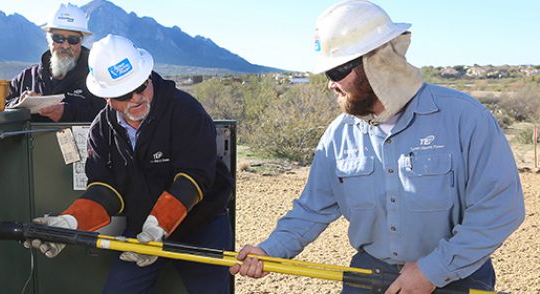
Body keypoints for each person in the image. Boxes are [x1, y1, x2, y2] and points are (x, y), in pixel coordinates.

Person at [229, 1, 525, 293]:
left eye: (336, 72)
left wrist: (433, 270)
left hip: (457, 277)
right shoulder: (337, 136)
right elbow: (311, 209)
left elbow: (500, 209)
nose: (331, 85)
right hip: (370, 275)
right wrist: (269, 251)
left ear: (376, 61)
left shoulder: (466, 118)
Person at [26, 35, 234, 293]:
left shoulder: (186, 111)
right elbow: (105, 189)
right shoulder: (100, 131)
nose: (136, 97)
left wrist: (159, 227)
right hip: (141, 226)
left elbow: (194, 177)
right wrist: (70, 223)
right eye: (124, 93)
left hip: (200, 225)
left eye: (141, 85)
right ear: (106, 97)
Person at [5, 3, 105, 122]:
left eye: (73, 40)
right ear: (48, 38)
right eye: (58, 38)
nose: (65, 45)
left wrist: (67, 113)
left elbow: (108, 118)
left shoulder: (97, 78)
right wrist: (19, 103)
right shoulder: (27, 77)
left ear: (81, 42)